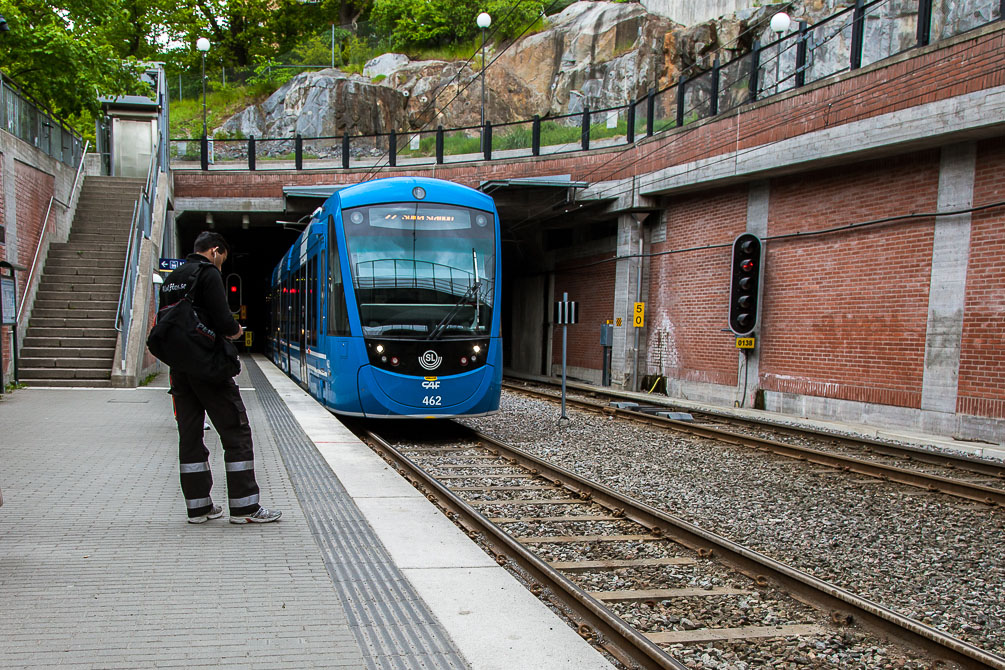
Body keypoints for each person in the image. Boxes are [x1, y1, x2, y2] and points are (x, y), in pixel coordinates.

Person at [160, 231, 281, 524]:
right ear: (215, 251)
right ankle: (245, 508)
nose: (221, 266)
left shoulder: (172, 278)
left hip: (180, 370)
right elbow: (224, 321)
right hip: (209, 368)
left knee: (190, 436)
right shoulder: (208, 274)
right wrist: (237, 331)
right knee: (236, 432)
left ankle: (198, 508)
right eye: (222, 260)